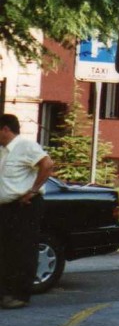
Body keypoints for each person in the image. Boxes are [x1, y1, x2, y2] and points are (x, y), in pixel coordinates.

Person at [0, 114, 54, 310]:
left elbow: (47, 165)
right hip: (6, 207)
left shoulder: (26, 145)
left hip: (24, 206)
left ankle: (20, 295)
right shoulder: (3, 151)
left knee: (22, 250)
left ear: (5, 129)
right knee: (5, 251)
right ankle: (5, 293)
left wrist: (32, 191)